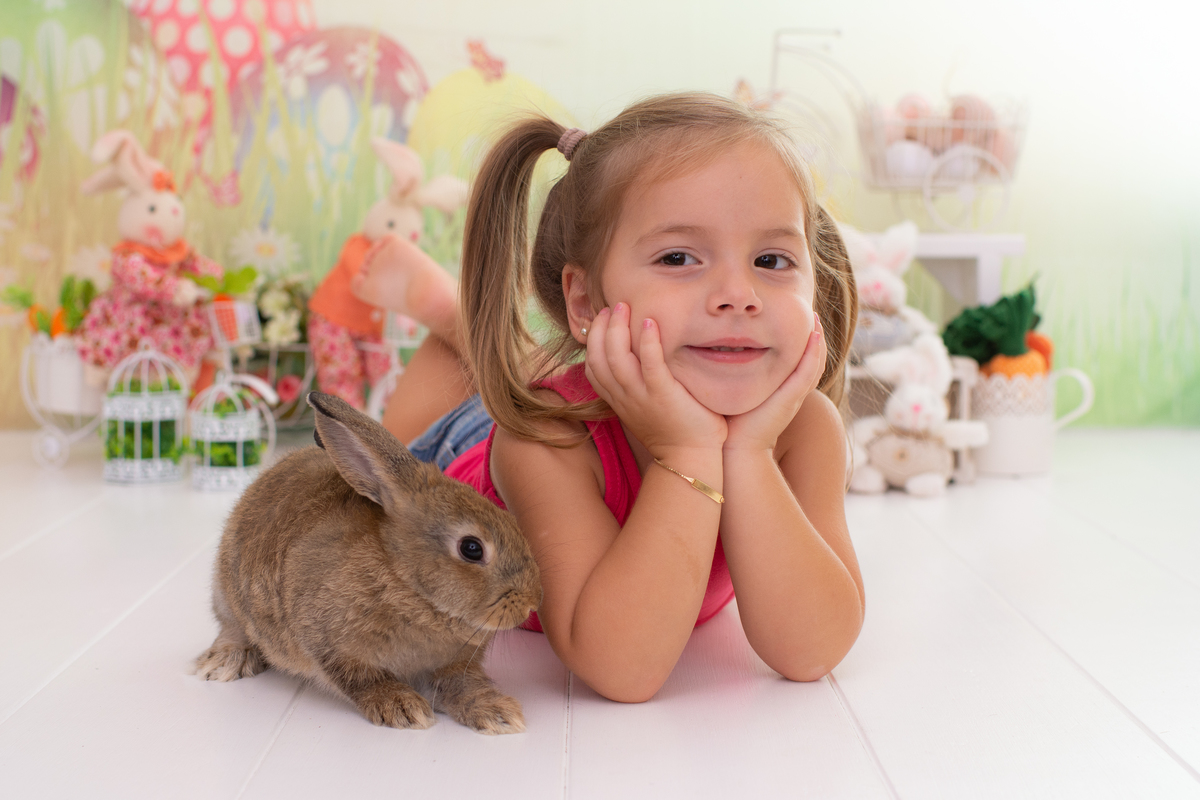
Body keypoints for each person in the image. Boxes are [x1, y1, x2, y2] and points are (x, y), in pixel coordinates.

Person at [353, 92, 864, 704]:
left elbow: (813, 651)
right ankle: (455, 328)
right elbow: (621, 669)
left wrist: (749, 452)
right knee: (423, 442)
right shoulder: (545, 444)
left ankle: (469, 331)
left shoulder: (805, 429)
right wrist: (691, 450)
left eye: (772, 259)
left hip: (576, 393)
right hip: (463, 459)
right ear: (585, 303)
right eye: (679, 257)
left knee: (505, 377)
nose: (739, 294)